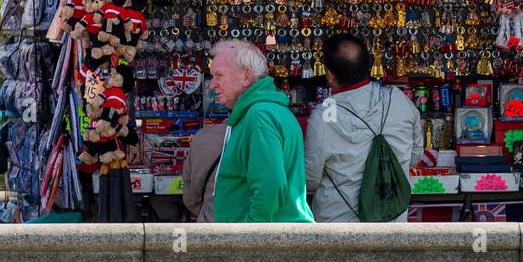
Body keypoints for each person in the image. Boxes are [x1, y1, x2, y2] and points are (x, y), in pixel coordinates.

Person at [304, 33, 423, 222]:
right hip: (392, 223)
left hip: (340, 225)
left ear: (330, 74)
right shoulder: (398, 99)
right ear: (368, 65)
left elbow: (311, 178)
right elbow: (415, 156)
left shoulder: (326, 114)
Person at [209, 40, 314, 223]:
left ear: (246, 76)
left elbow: (270, 187)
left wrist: (249, 235)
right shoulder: (268, 111)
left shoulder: (259, 115)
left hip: (265, 244)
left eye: (219, 75)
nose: (212, 85)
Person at [181, 122, 226, 222]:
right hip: (254, 229)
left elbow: (190, 197)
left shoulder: (203, 136)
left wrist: (206, 210)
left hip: (209, 222)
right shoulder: (259, 134)